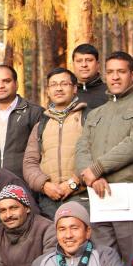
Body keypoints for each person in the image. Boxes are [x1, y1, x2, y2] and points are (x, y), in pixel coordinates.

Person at [75, 51, 133, 262]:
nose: (115, 77)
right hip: (99, 194)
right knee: (104, 260)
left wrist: (97, 169)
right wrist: (93, 177)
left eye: (121, 72)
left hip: (131, 192)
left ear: (132, 75)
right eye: (110, 72)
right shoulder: (96, 113)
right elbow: (81, 148)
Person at [23, 68, 89, 219]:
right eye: (53, 85)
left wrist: (73, 184)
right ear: (48, 90)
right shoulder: (41, 124)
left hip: (82, 197)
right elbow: (29, 162)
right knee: (52, 242)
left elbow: (96, 156)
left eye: (64, 84)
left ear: (74, 88)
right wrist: (44, 185)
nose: (58, 88)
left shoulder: (88, 117)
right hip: (49, 201)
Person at [0, 65, 43, 180]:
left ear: (16, 84)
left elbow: (43, 153)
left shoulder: (35, 113)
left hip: (26, 182)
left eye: (6, 81)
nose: (1, 86)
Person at [72, 43, 107, 110]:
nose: (84, 65)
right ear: (73, 65)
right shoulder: (66, 94)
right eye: (79, 61)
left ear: (97, 64)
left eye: (89, 60)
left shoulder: (110, 93)